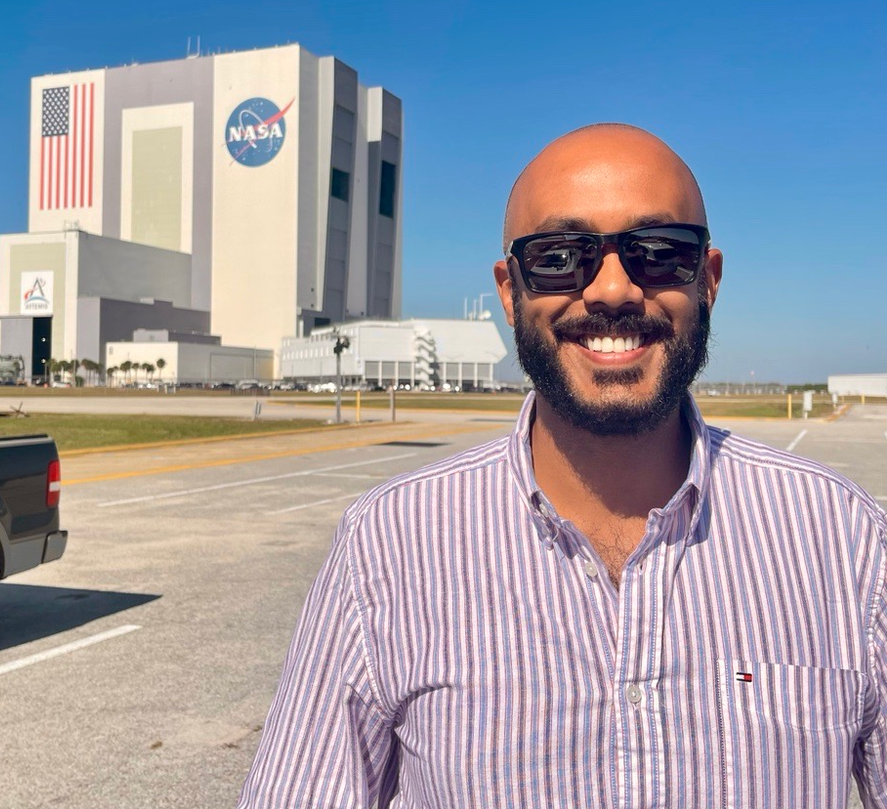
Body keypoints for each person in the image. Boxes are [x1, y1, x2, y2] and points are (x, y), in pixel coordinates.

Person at [237, 124, 887, 807]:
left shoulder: (842, 540)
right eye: (559, 256)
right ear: (511, 290)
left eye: (659, 253)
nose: (611, 290)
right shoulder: (390, 544)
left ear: (709, 280)